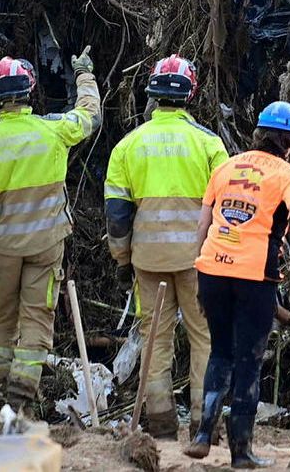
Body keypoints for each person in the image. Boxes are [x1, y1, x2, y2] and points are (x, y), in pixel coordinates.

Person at [187, 100, 290, 468]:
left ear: (258, 134)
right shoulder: (288, 176)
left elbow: (202, 225)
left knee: (220, 351)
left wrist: (198, 270)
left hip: (212, 268)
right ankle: (241, 452)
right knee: (249, 360)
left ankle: (203, 433)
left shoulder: (226, 167)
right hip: (254, 276)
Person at [0, 50, 106, 404]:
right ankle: (21, 403)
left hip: (3, 251)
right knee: (35, 324)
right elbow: (91, 115)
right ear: (28, 92)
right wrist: (83, 74)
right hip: (45, 248)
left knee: (0, 326)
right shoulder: (53, 130)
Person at [104, 54, 230, 440]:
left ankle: (158, 422)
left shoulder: (128, 146)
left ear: (153, 95)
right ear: (190, 94)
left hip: (149, 259)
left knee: (154, 337)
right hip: (199, 261)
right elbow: (228, 210)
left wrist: (122, 257)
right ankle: (202, 421)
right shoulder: (209, 145)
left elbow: (117, 213)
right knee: (204, 337)